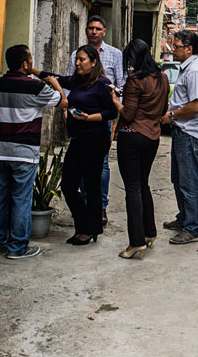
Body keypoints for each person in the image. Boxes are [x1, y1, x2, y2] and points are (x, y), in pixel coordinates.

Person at [0, 44, 67, 259]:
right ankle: (17, 247)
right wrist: (56, 84)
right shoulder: (35, 87)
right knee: (21, 199)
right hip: (23, 151)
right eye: (30, 59)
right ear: (25, 63)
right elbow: (63, 102)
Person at [108, 39, 170, 260]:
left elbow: (128, 114)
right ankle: (149, 233)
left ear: (135, 57)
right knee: (143, 184)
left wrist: (115, 100)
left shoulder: (135, 81)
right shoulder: (162, 78)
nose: (130, 63)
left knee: (132, 188)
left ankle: (136, 242)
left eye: (130, 59)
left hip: (132, 136)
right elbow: (163, 109)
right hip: (152, 137)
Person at [67, 15, 123, 228]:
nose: (94, 32)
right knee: (79, 162)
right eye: (90, 28)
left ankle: (100, 207)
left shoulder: (114, 54)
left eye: (98, 28)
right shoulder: (76, 54)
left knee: (102, 164)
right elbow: (69, 81)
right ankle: (84, 205)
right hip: (79, 116)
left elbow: (121, 84)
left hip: (101, 117)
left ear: (104, 31)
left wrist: (117, 113)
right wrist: (67, 108)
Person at [61, 44, 118, 245]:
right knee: (68, 184)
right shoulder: (76, 82)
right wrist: (33, 71)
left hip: (95, 138)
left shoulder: (103, 84)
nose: (77, 63)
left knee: (92, 185)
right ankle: (85, 225)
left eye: (82, 59)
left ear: (94, 62)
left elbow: (112, 112)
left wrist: (89, 117)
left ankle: (89, 229)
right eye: (77, 59)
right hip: (77, 138)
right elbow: (54, 78)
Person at [160, 29, 198, 245]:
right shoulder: (187, 68)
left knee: (188, 181)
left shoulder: (195, 71)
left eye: (177, 46)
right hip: (182, 130)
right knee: (179, 178)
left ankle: (192, 227)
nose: (173, 49)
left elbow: (197, 105)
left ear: (189, 49)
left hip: (190, 132)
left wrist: (172, 115)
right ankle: (184, 219)